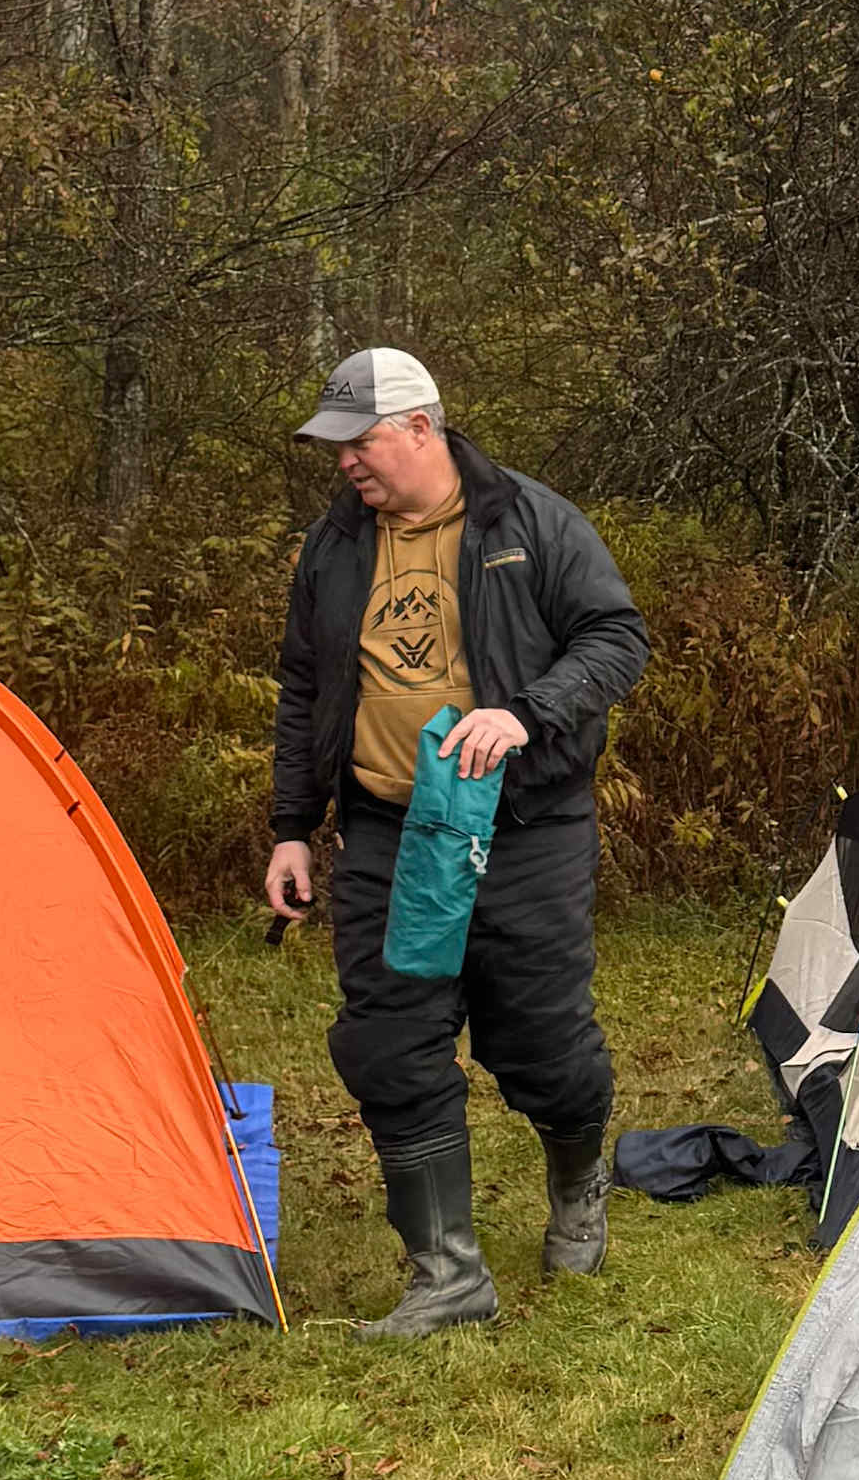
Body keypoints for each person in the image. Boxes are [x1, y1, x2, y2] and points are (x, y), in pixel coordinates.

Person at [264, 347, 652, 1333]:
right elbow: (306, 683)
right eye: (335, 447)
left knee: (540, 1040)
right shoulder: (336, 542)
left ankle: (577, 1180)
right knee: (388, 1039)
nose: (346, 462)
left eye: (360, 442)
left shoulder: (528, 519)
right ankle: (447, 1274)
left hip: (523, 828)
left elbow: (615, 638)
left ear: (422, 428)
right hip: (390, 831)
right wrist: (293, 828)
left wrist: (528, 712)